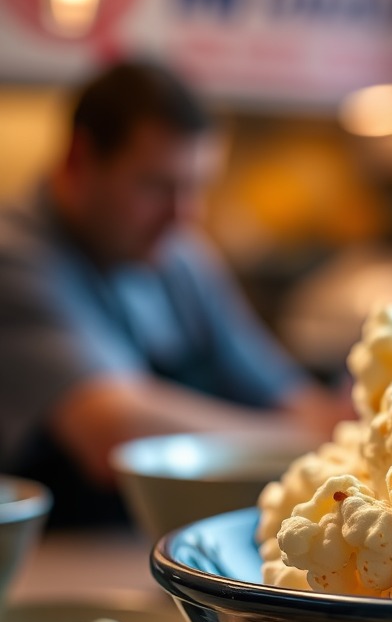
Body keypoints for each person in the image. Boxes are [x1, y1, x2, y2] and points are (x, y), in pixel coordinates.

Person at [0, 58, 351, 525]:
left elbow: (286, 393)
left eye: (195, 188)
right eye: (156, 186)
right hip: (58, 559)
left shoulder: (175, 251)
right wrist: (306, 440)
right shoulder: (16, 256)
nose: (183, 215)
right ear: (79, 160)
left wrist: (333, 422)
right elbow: (114, 431)